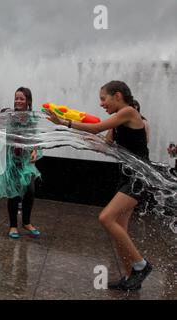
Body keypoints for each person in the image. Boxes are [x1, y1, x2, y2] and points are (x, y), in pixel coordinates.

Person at [46, 80, 153, 291]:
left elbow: (96, 127)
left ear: (118, 96)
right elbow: (105, 144)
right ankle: (132, 278)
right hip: (127, 175)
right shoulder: (119, 122)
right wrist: (80, 139)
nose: (102, 104)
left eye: (104, 99)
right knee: (119, 228)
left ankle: (141, 266)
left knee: (106, 218)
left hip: (138, 178)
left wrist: (65, 123)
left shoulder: (129, 112)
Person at [0, 88, 42, 239]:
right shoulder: (10, 116)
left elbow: (35, 137)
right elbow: (1, 132)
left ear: (28, 101)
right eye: (16, 98)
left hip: (26, 159)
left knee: (30, 191)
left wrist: (35, 150)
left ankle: (26, 222)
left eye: (21, 99)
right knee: (14, 194)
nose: (18, 101)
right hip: (11, 159)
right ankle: (13, 226)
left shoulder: (33, 118)